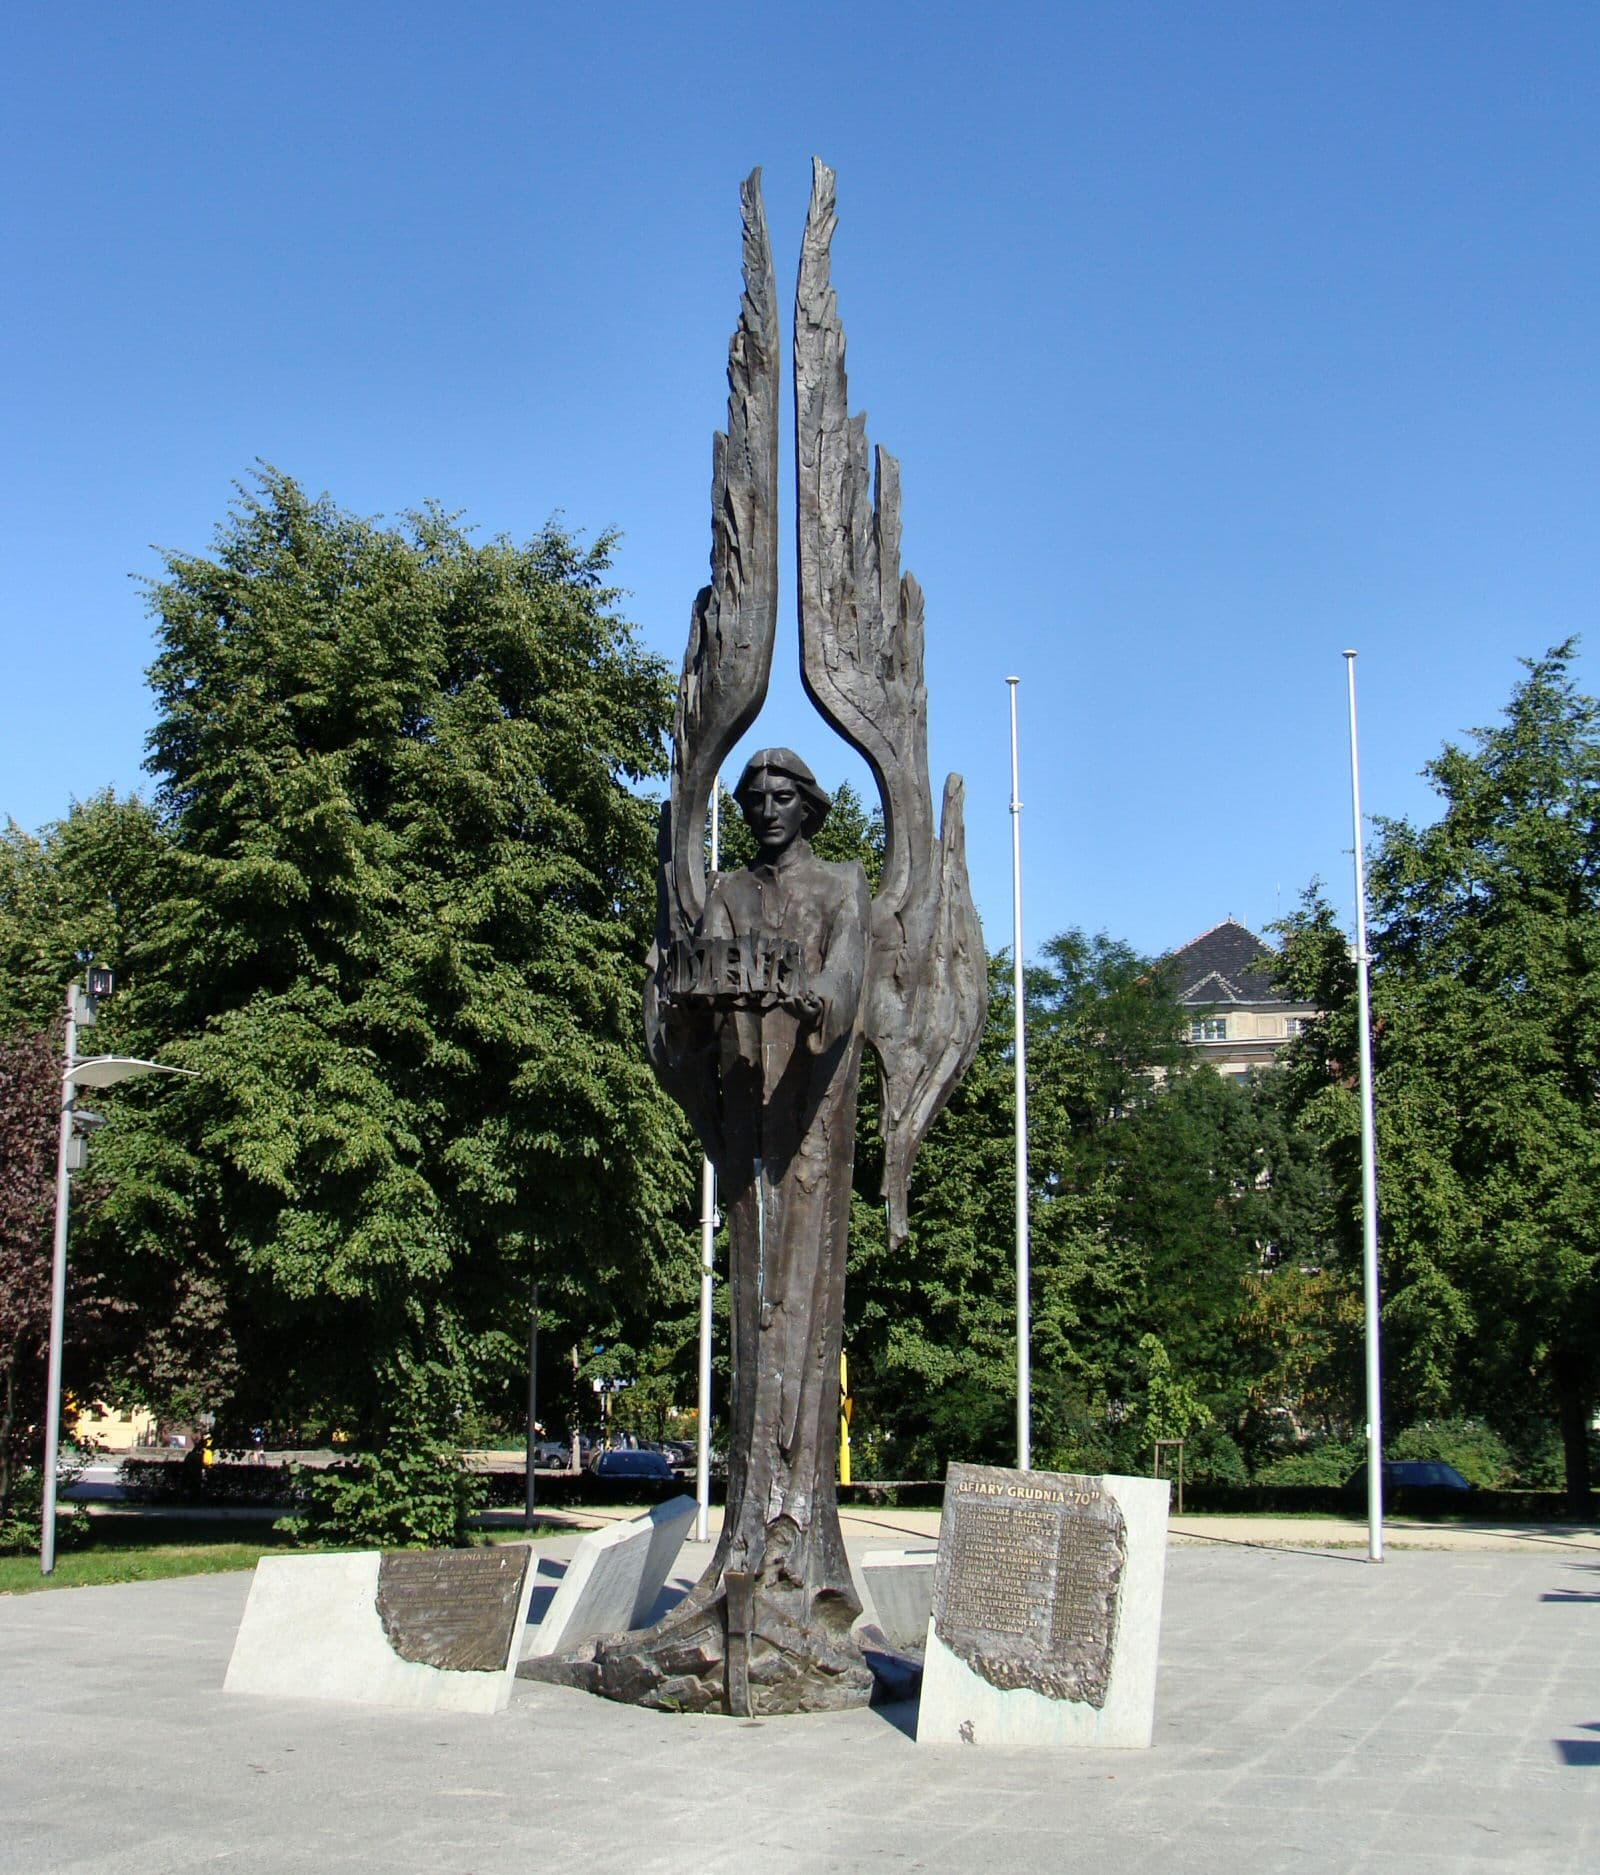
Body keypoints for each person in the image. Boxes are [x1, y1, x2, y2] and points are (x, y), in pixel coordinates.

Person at [599, 750, 874, 1712]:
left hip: (811, 1119)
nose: (765, 808)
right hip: (742, 1119)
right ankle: (752, 1546)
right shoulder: (724, 892)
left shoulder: (844, 885)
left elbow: (848, 983)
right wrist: (680, 993)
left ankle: (799, 1558)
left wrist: (812, 996)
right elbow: (690, 989)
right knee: (755, 1297)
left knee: (801, 1295)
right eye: (753, 797)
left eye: (782, 796)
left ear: (812, 806)